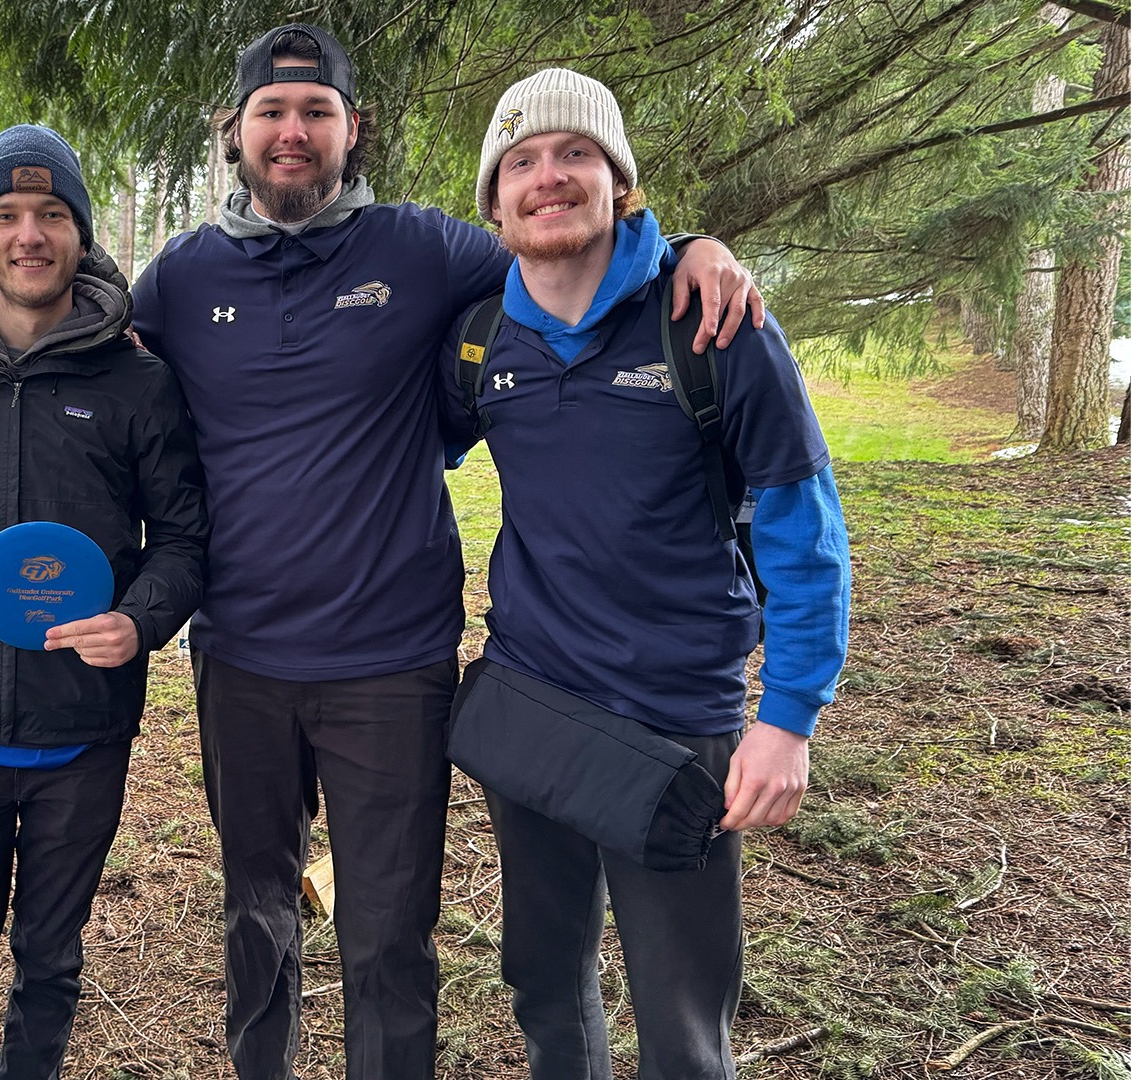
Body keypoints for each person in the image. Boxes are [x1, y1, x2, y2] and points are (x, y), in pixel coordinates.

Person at [126, 23, 765, 1080]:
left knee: (387, 936)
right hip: (237, 657)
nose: (293, 132)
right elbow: (85, 350)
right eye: (271, 112)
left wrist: (690, 246)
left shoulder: (423, 249)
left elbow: (570, 241)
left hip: (392, 663)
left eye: (317, 111)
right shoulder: (181, 278)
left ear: (354, 129)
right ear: (233, 132)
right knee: (255, 913)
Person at [456, 68, 850, 1079]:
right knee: (546, 987)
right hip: (534, 703)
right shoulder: (481, 340)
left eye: (575, 153)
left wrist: (788, 718)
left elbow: (804, 530)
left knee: (681, 1024)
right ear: (495, 202)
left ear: (619, 181)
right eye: (521, 162)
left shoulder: (711, 325)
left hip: (676, 722)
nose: (549, 177)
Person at [0, 124, 208, 1080]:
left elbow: (184, 539)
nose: (30, 234)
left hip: (82, 735)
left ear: (80, 235)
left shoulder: (137, 380)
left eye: (53, 214)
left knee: (50, 964)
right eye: (8, 216)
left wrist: (139, 621)